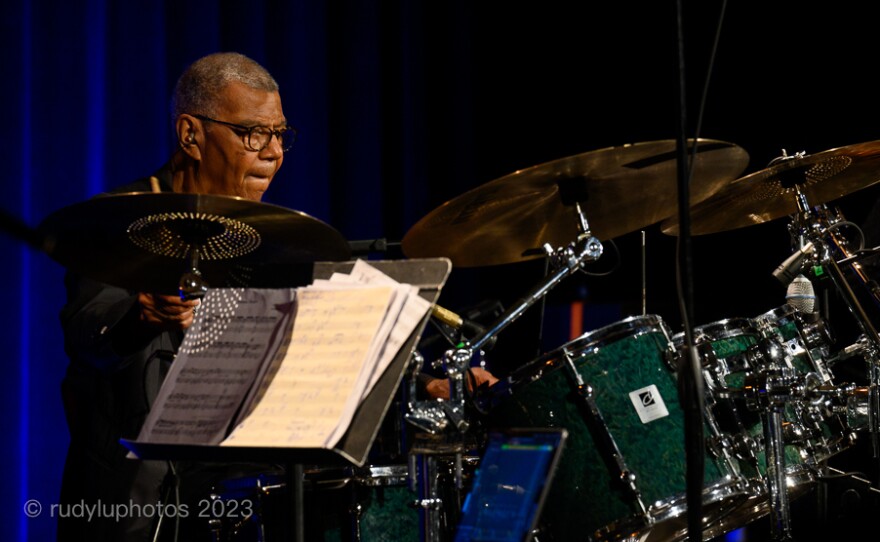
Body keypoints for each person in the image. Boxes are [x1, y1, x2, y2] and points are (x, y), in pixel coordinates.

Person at [57, 52, 293, 542]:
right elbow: (86, 336)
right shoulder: (118, 223)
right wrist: (141, 317)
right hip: (133, 506)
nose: (272, 152)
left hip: (245, 498)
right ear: (192, 135)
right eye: (253, 133)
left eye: (279, 134)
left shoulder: (281, 238)